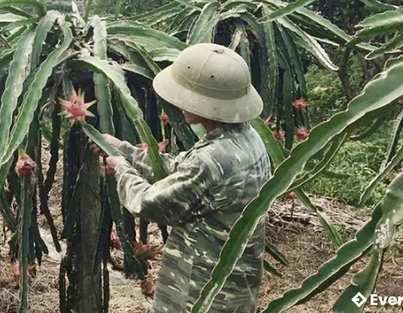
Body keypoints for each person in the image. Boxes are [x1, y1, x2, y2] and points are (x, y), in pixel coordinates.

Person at [91, 43, 271, 313]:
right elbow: (181, 169)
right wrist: (125, 149)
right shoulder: (246, 137)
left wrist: (121, 170)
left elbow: (149, 203)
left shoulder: (212, 160)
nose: (179, 102)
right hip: (235, 283)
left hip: (198, 291)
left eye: (188, 96)